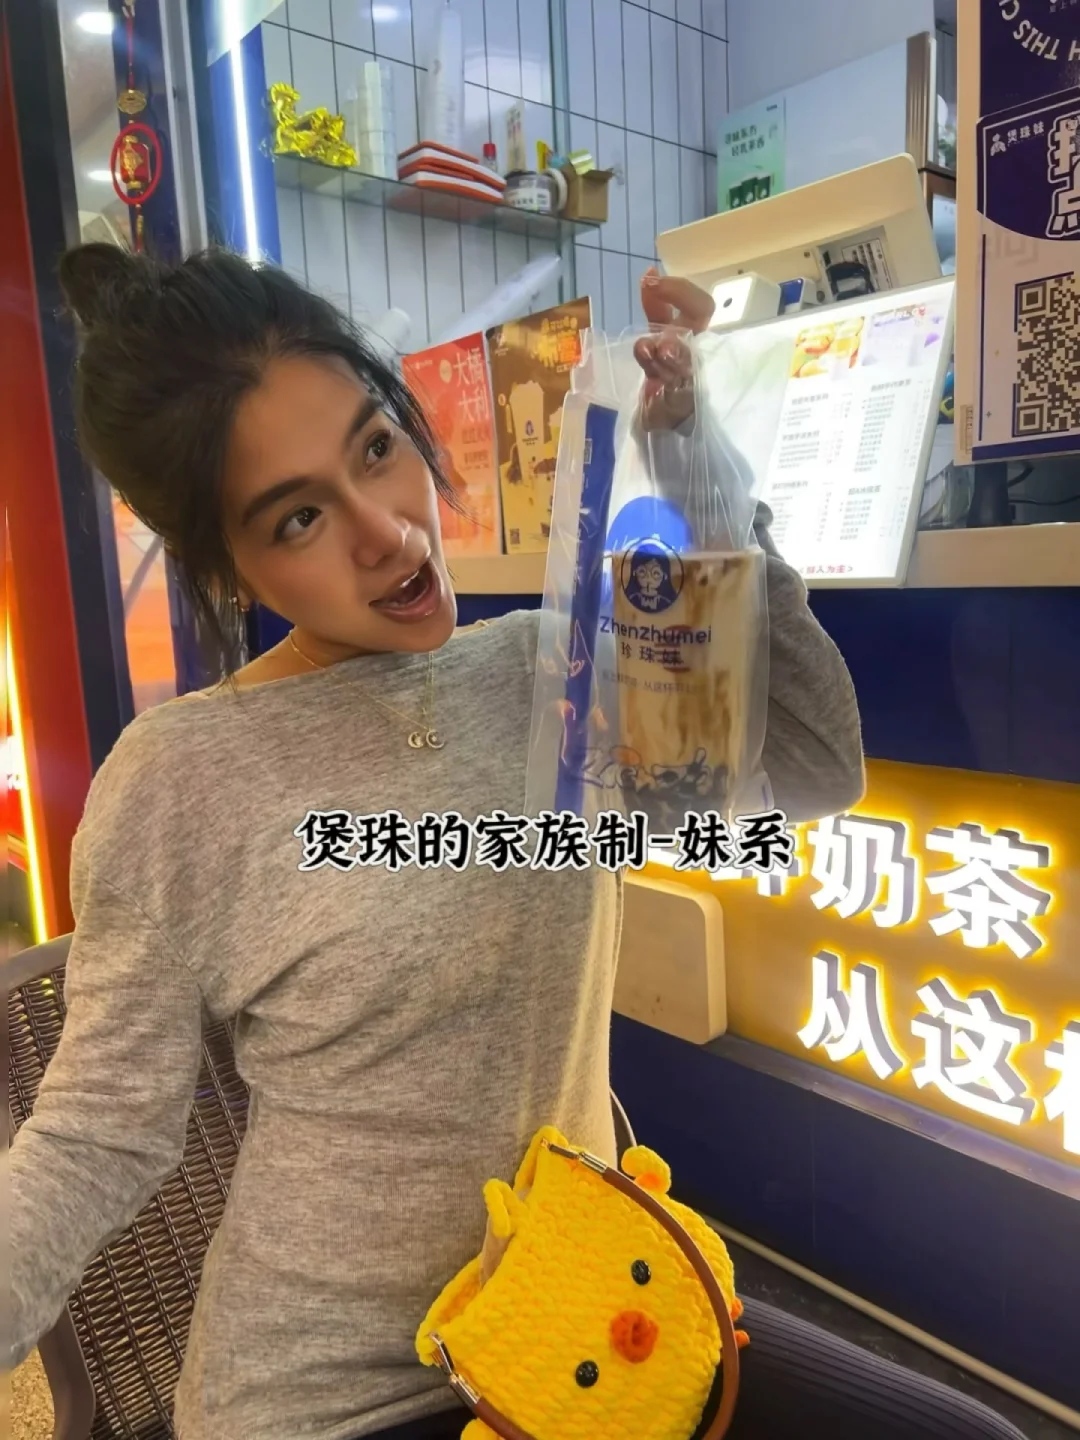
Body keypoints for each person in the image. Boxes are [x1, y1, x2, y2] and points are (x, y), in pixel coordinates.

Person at [6, 245, 1024, 1440]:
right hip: (338, 1399)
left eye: (376, 447)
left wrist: (704, 484)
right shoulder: (182, 777)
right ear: (229, 569)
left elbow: (808, 767)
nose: (386, 532)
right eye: (299, 517)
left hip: (581, 1316)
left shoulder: (552, 668)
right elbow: (96, 1135)